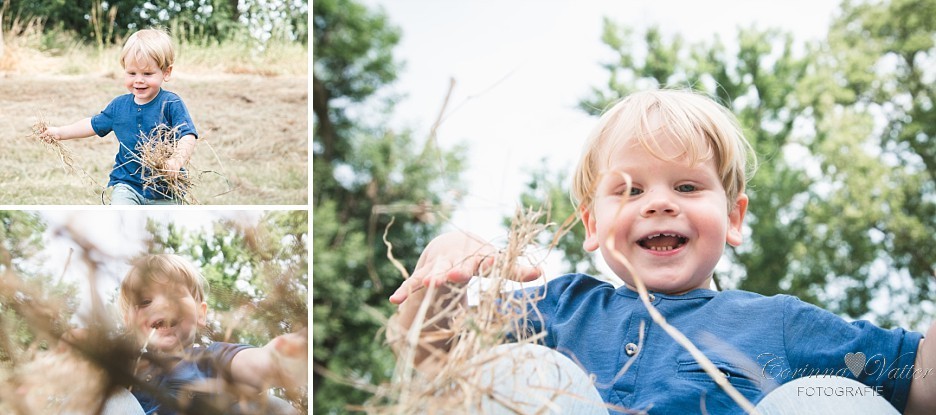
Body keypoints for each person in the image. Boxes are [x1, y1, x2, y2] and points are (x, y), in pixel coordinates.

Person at [388, 89, 935, 414]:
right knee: (519, 368)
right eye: (628, 189)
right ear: (592, 225)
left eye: (687, 187)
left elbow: (920, 383)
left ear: (734, 217)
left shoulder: (778, 325)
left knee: (826, 402)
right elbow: (424, 352)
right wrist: (443, 272)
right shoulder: (559, 309)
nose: (658, 204)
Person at [116, 253, 306, 414]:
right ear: (129, 323)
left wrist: (278, 359)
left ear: (200, 313)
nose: (162, 305)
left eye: (174, 295)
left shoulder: (210, 360)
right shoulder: (121, 369)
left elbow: (250, 364)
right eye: (144, 301)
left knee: (275, 406)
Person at [40, 28, 197, 205]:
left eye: (147, 74)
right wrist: (60, 132)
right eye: (132, 73)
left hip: (165, 189)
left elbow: (187, 135)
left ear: (166, 72)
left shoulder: (170, 103)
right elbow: (92, 124)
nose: (139, 80)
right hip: (127, 184)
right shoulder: (118, 106)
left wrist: (175, 161)